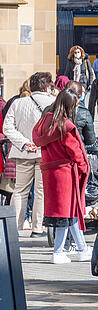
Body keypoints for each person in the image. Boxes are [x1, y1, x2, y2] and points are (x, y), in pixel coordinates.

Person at [32, 89, 91, 263]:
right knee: (66, 213)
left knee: (69, 211)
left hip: (50, 171)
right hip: (66, 172)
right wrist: (83, 167)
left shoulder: (45, 122)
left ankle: (82, 248)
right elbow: (75, 152)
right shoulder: (65, 126)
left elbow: (38, 140)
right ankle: (58, 251)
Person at [3, 72, 55, 236]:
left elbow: (7, 128)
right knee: (41, 190)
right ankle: (37, 228)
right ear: (47, 87)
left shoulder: (18, 103)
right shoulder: (53, 102)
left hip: (23, 152)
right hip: (45, 152)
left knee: (19, 191)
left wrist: (24, 143)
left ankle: (14, 228)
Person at [65, 81, 95, 146]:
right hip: (77, 150)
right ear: (80, 96)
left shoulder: (51, 109)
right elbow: (90, 140)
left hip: (55, 152)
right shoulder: (84, 113)